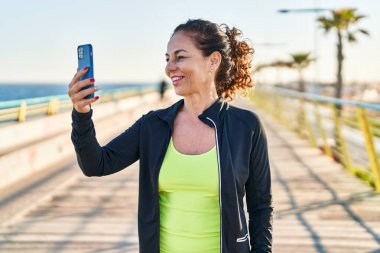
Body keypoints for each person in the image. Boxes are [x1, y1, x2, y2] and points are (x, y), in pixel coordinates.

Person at [68, 19, 273, 253]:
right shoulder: (153, 125)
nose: (169, 67)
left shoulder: (246, 126)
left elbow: (261, 207)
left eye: (180, 57)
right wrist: (81, 113)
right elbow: (97, 164)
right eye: (168, 59)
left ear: (213, 61)